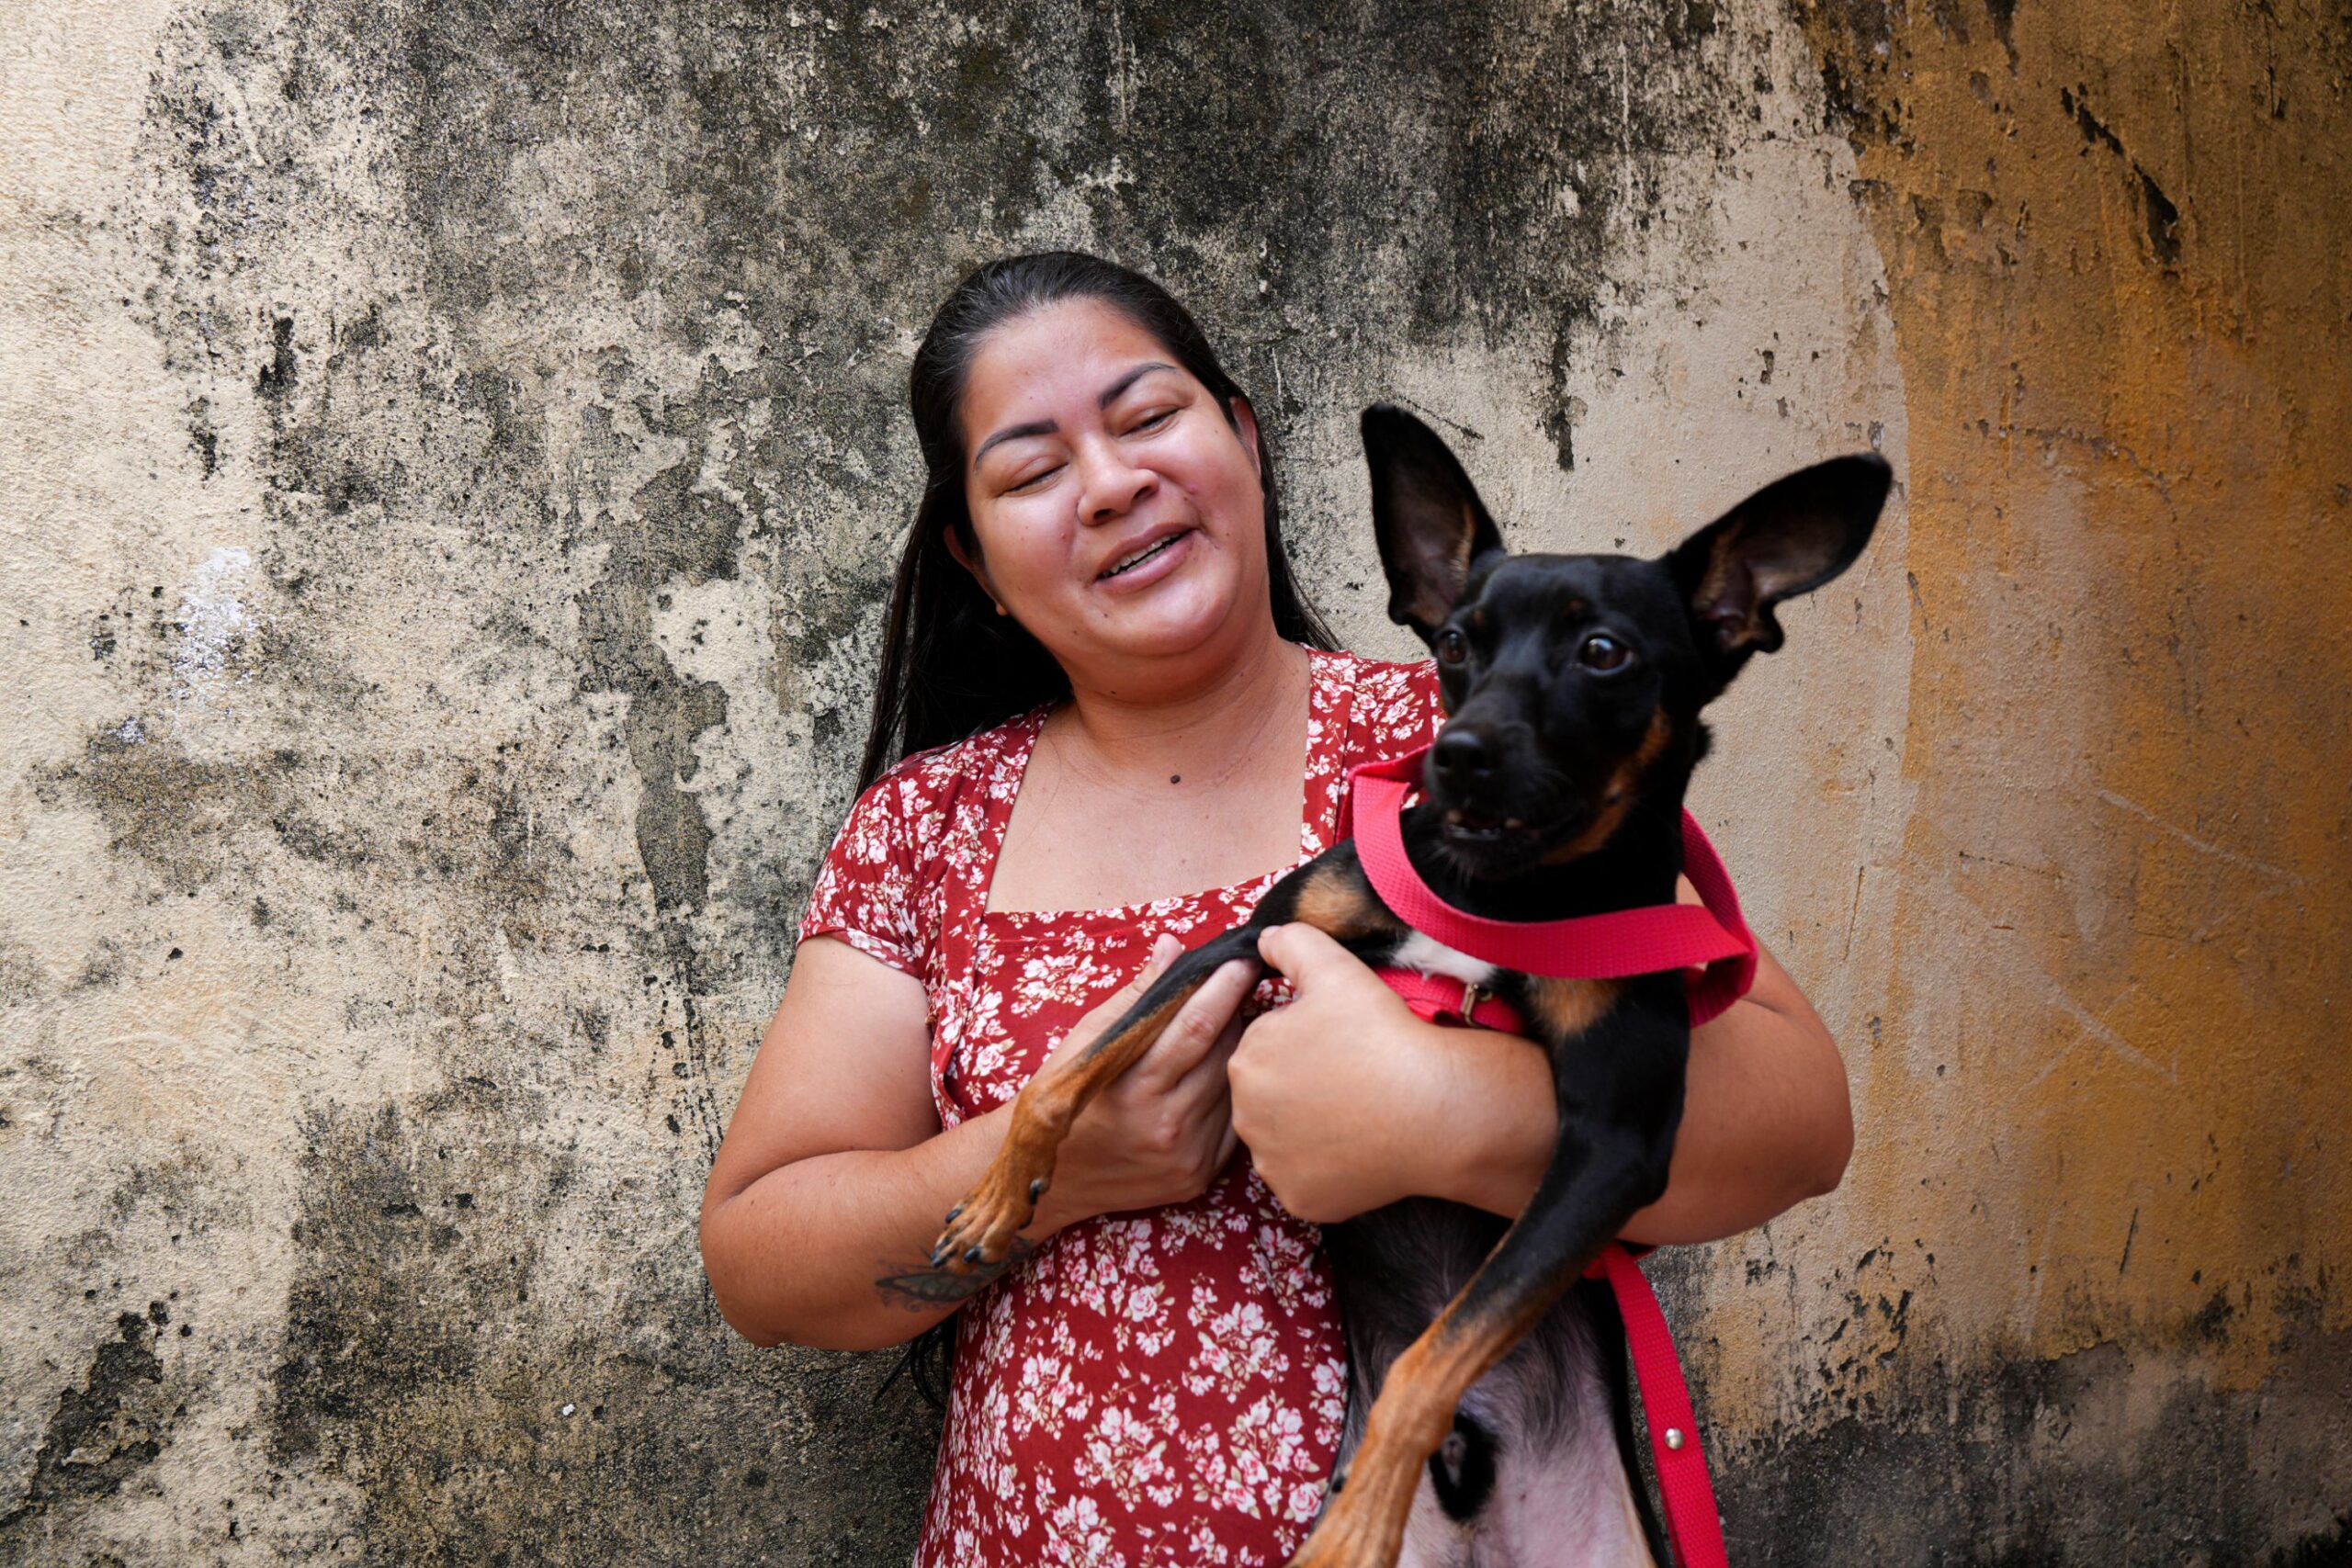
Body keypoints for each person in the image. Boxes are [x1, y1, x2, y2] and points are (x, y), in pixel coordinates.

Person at [698, 251, 1853, 1566]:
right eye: (1029, 471)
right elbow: (759, 1263)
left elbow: (1801, 1120)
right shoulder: (928, 827)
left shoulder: (1480, 746)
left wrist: (1435, 1109)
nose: (1112, 482)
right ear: (974, 555)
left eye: (1148, 419)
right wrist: (1052, 1165)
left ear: (1244, 440)